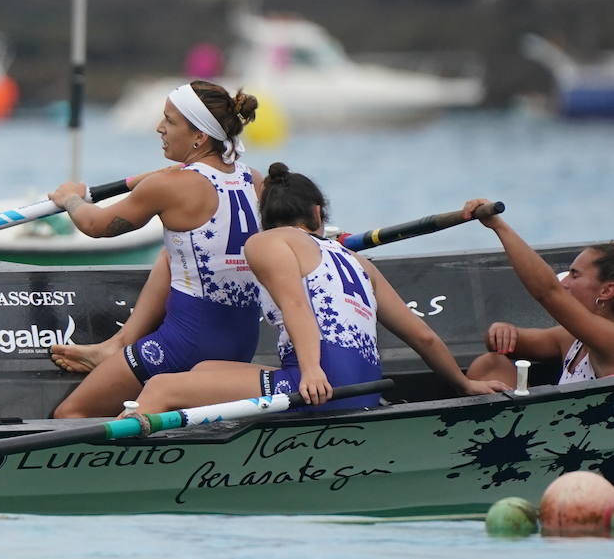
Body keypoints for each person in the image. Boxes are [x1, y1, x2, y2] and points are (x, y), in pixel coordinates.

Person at [123, 164, 506, 415]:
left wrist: (309, 372)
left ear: (265, 217)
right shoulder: (357, 261)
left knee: (161, 387)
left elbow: (296, 304)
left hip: (319, 389)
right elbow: (423, 336)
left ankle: (108, 464)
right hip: (365, 390)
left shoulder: (266, 243)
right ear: (318, 214)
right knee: (205, 370)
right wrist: (464, 384)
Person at [47, 80, 264, 418]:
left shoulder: (169, 185)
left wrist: (70, 198)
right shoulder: (255, 179)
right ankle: (116, 347)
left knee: (69, 415)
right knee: (174, 251)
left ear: (199, 137)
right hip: (242, 342)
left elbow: (95, 226)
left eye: (170, 121)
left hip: (185, 346)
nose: (159, 128)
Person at [464, 201, 614, 385]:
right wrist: (499, 331)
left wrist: (497, 225)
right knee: (490, 364)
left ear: (607, 290)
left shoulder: (610, 339)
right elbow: (506, 344)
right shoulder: (570, 338)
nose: (564, 283)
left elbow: (549, 292)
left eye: (574, 275)